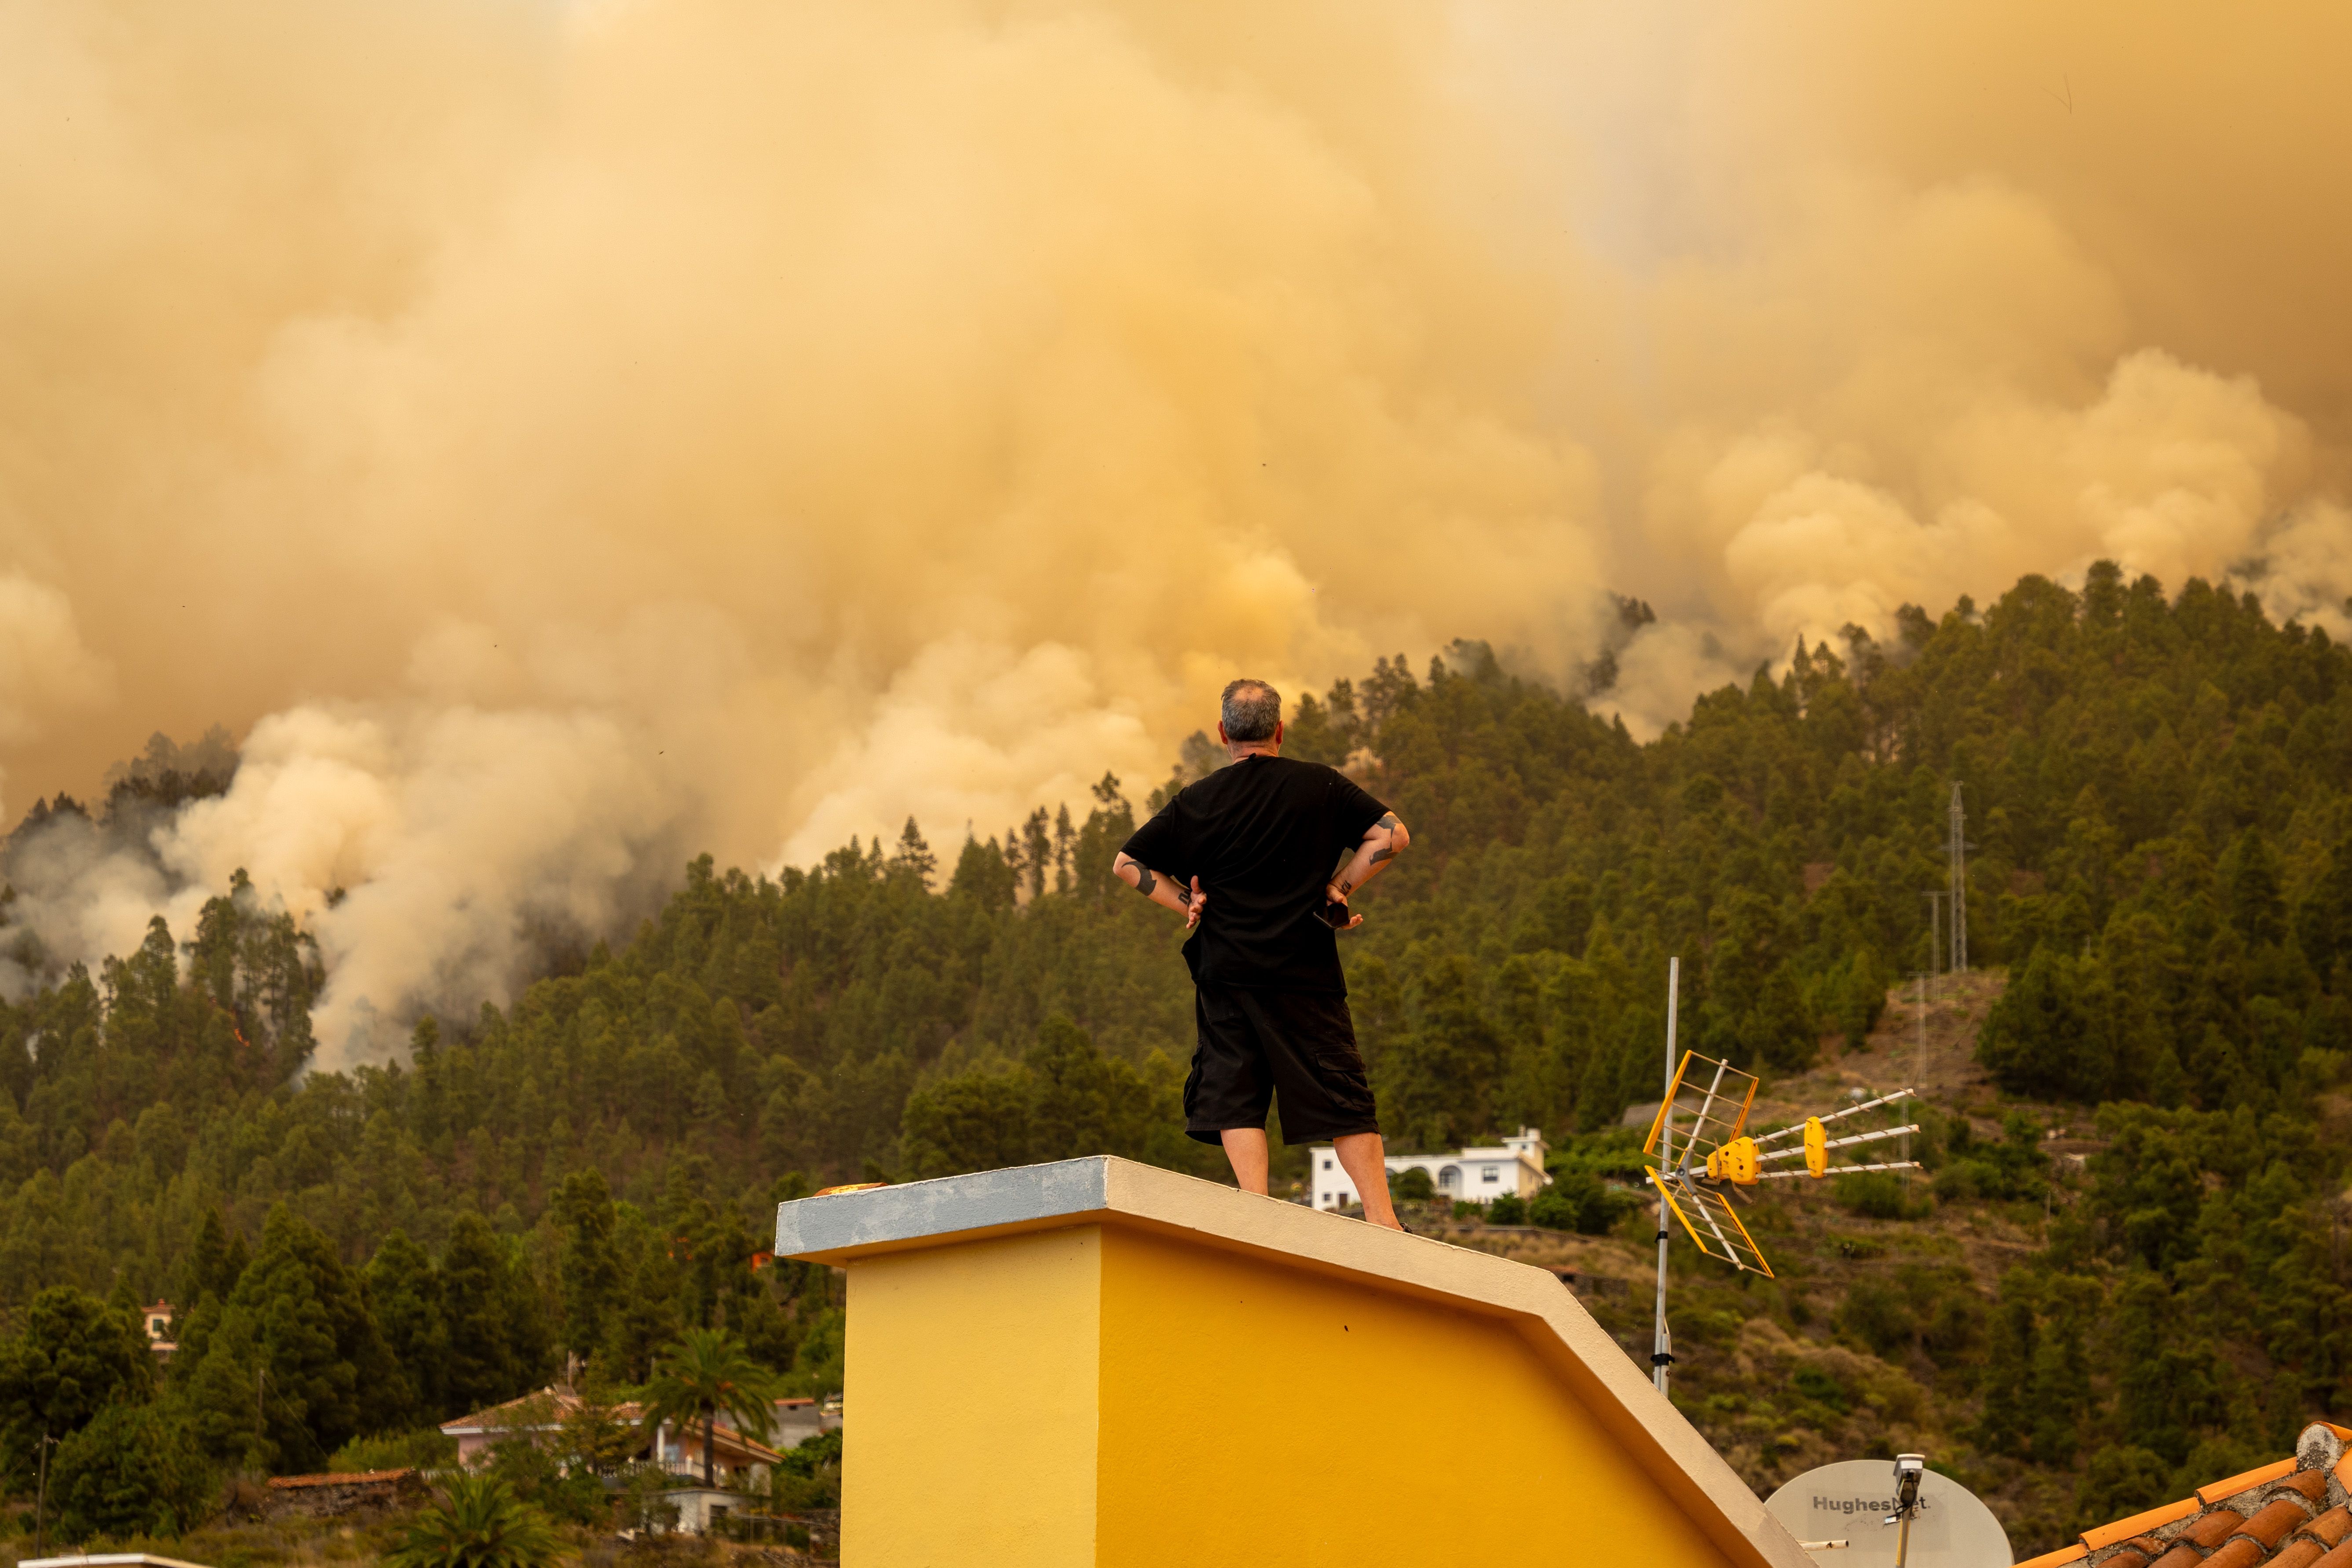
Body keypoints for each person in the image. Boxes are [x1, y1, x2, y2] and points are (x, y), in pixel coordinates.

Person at [1112, 678, 1412, 1229]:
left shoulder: (1195, 800)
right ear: (1278, 730)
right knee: (1339, 1088)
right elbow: (1392, 837)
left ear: (1224, 732)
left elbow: (1128, 864)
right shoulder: (1319, 785)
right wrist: (1340, 887)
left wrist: (1188, 901)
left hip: (1226, 971)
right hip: (1305, 968)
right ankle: (1381, 1217)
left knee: (1234, 1088)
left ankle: (1256, 1209)